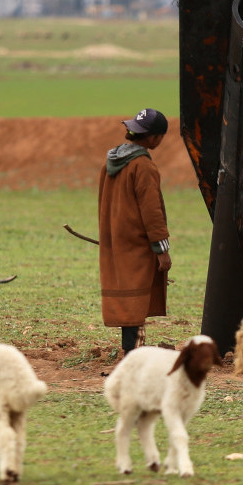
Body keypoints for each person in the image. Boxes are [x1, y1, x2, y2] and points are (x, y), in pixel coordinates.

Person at [97, 108, 172, 356]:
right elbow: (152, 213)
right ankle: (134, 355)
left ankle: (130, 350)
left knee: (128, 296)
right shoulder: (143, 167)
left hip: (116, 239)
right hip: (137, 243)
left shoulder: (111, 162)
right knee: (137, 298)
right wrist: (162, 250)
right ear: (154, 138)